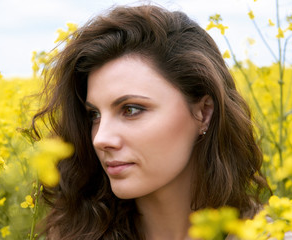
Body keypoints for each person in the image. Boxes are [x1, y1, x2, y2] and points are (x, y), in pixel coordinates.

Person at [32, 4, 270, 240]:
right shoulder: (71, 234)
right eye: (94, 115)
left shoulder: (269, 235)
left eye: (131, 109)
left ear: (204, 113)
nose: (100, 139)